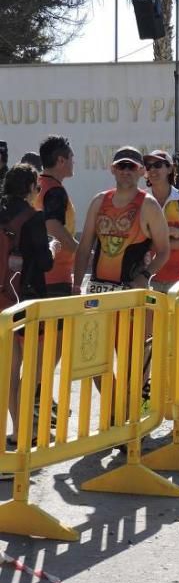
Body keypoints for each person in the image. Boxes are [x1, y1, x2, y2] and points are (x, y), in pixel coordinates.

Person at [1, 164, 56, 462]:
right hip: (25, 300)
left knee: (9, 368)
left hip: (1, 299)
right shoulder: (33, 218)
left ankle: (18, 429)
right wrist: (54, 248)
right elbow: (45, 263)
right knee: (32, 366)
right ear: (32, 187)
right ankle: (27, 429)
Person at [72, 147, 171, 294]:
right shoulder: (99, 202)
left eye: (131, 166)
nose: (126, 171)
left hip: (131, 293)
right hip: (98, 292)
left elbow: (164, 251)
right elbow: (84, 248)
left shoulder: (149, 205)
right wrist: (76, 286)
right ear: (113, 169)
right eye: (121, 166)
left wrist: (144, 277)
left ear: (142, 171)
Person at [144, 150, 179, 293]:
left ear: (169, 168)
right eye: (148, 166)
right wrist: (173, 232)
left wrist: (155, 240)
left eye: (157, 164)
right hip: (146, 278)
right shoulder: (140, 200)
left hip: (177, 279)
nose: (152, 169)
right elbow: (137, 242)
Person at [36, 135, 78, 298]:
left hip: (36, 275)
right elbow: (53, 227)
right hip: (56, 277)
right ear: (61, 160)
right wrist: (82, 253)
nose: (73, 162)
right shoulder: (55, 191)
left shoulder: (36, 186)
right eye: (71, 158)